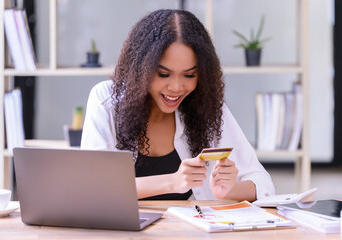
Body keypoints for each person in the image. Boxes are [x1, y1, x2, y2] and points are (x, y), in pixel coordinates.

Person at [81, 9, 275, 201]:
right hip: (124, 231)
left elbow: (262, 183)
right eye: (163, 74)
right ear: (140, 68)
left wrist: (229, 190)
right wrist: (173, 181)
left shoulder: (206, 106)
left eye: (189, 75)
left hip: (186, 231)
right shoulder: (107, 100)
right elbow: (95, 187)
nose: (176, 87)